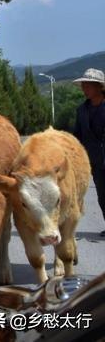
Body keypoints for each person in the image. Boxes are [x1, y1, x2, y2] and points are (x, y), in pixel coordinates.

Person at [73, 68, 105, 236]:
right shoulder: (81, 110)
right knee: (102, 195)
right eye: (83, 85)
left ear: (99, 86)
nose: (84, 88)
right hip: (96, 161)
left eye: (88, 85)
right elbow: (77, 136)